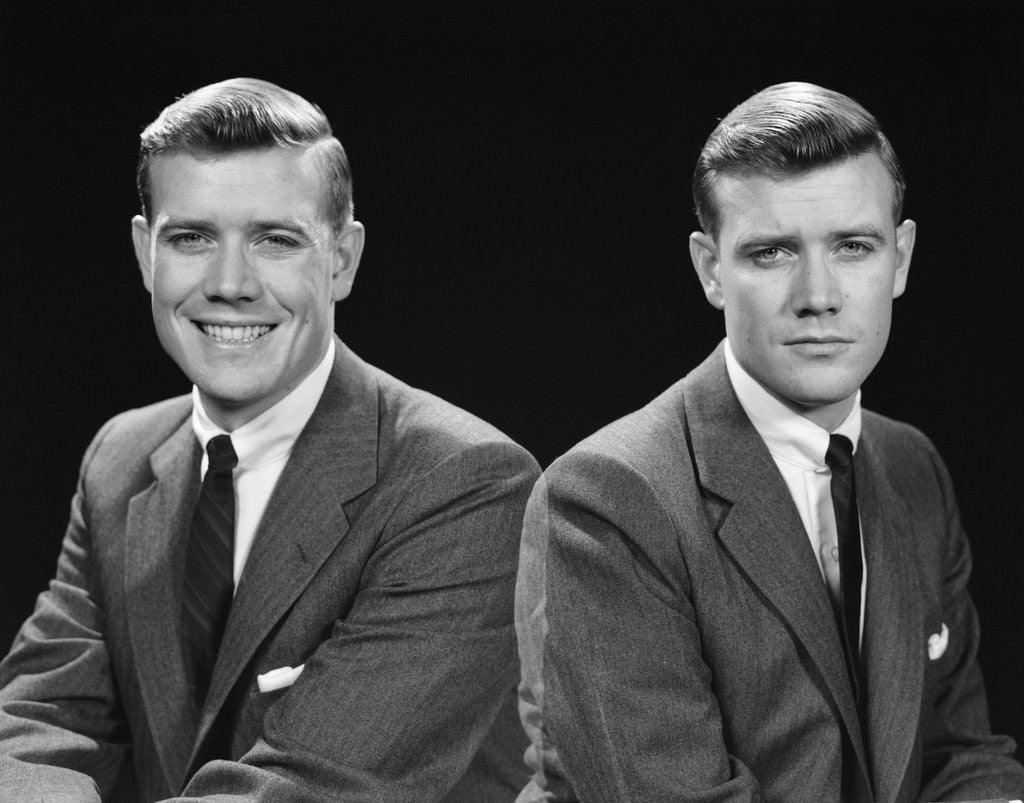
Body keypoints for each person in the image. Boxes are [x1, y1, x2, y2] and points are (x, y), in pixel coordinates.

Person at [0, 78, 539, 801]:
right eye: (191, 238)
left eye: (275, 240)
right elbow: (37, 719)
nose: (230, 283)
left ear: (342, 259)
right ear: (143, 254)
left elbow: (306, 786)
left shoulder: (466, 482)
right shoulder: (120, 459)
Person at [515, 82, 1024, 801]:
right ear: (710, 269)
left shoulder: (913, 466)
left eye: (853, 246)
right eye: (773, 252)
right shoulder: (608, 497)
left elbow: (959, 757)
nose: (819, 294)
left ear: (901, 259)